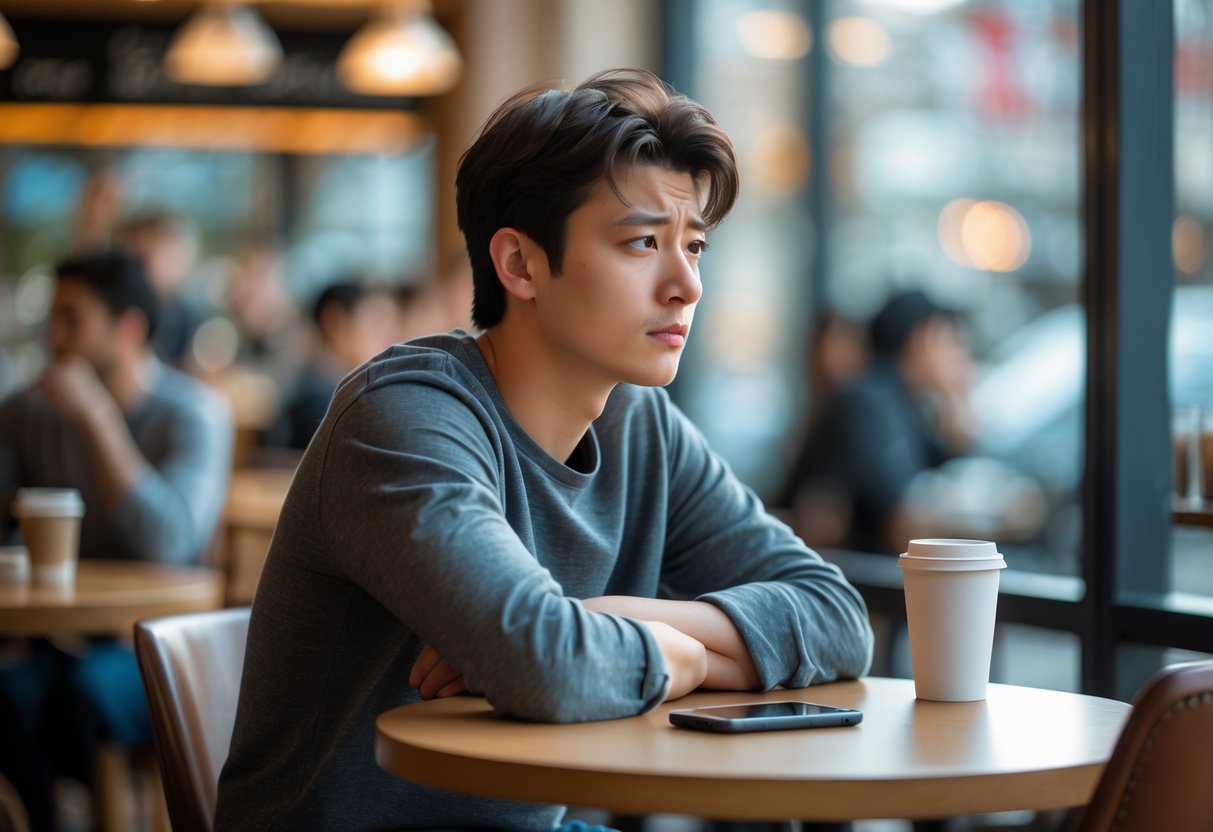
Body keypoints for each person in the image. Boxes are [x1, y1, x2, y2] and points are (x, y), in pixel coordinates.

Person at [214, 69, 873, 832]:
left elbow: (836, 616)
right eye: (641, 243)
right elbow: (546, 665)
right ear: (518, 264)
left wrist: (599, 615)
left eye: (693, 246)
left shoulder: (641, 426)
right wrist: (682, 653)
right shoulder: (402, 417)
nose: (686, 284)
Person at [0, 252, 233, 832]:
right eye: (51, 319)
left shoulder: (193, 414)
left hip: (156, 643)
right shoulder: (29, 413)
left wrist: (99, 419)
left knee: (85, 695)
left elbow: (170, 542)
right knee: (8, 696)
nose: (54, 338)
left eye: (72, 320)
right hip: (54, 637)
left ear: (128, 327)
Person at [779, 289, 977, 554]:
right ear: (924, 340)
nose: (960, 357)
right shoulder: (869, 399)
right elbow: (902, 526)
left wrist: (956, 395)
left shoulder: (904, 402)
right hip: (836, 575)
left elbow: (954, 465)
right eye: (953, 342)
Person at [264, 280, 401, 450]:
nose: (391, 338)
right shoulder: (319, 400)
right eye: (378, 325)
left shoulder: (327, 389)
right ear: (334, 321)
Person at [117, 209, 211, 367]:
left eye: (143, 257)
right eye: (130, 256)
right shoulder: (116, 311)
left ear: (180, 257)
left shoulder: (197, 322)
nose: (133, 268)